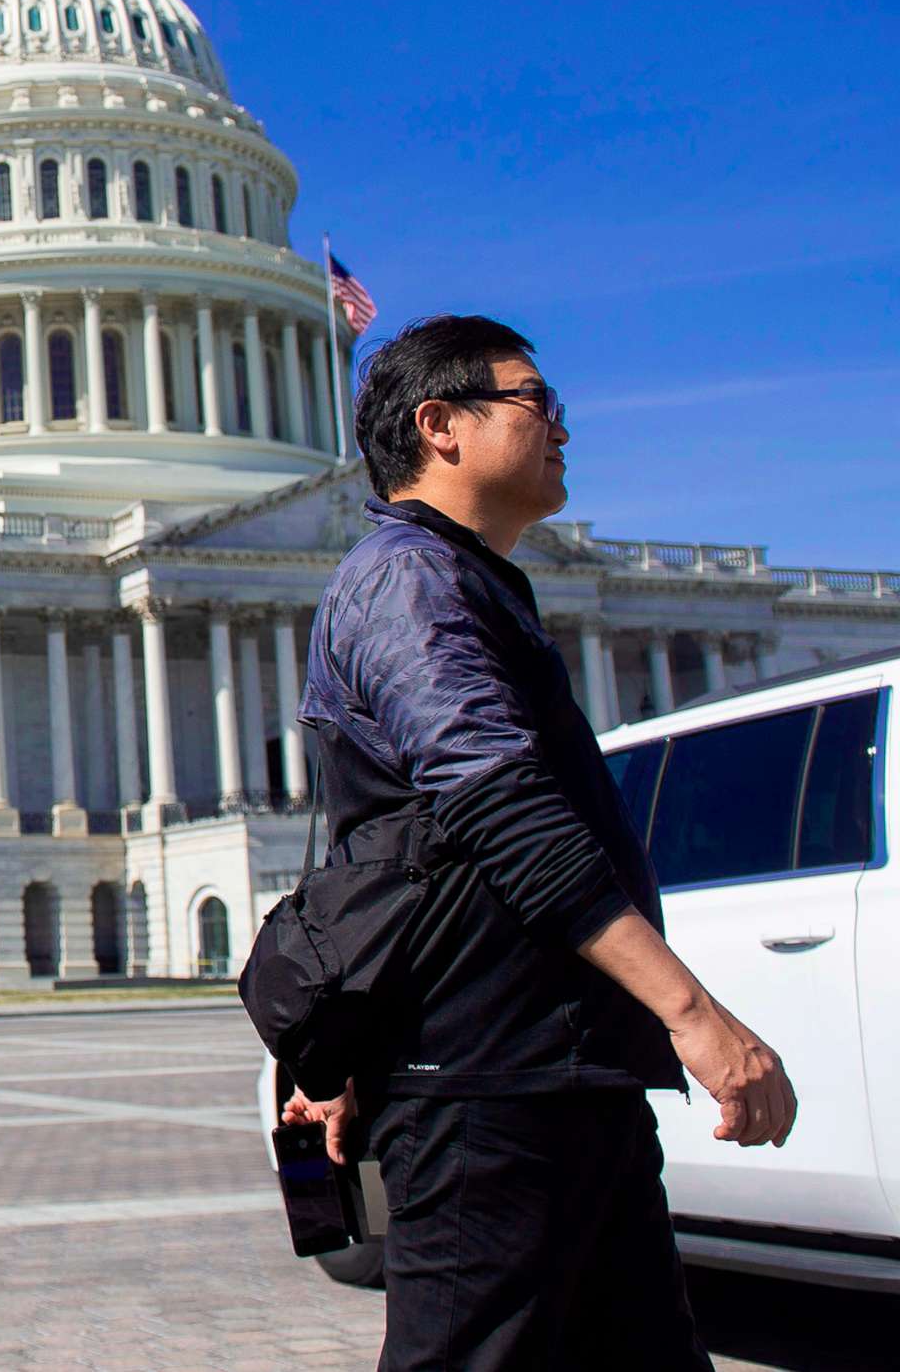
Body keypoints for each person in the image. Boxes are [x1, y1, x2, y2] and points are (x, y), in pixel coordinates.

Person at [286, 314, 794, 1372]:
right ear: (442, 426)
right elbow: (498, 806)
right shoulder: (408, 581)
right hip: (486, 1082)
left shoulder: (463, 582)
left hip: (552, 1071)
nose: (562, 424)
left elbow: (382, 837)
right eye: (534, 400)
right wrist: (692, 1012)